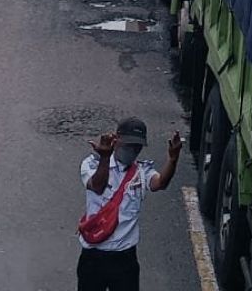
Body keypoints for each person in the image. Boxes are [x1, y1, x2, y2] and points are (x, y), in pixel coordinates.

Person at [78, 118, 182, 291]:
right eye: (129, 145)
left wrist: (172, 160)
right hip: (93, 257)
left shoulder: (142, 171)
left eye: (137, 147)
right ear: (116, 140)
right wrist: (104, 158)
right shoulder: (92, 163)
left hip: (125, 260)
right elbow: (97, 186)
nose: (133, 150)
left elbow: (160, 183)